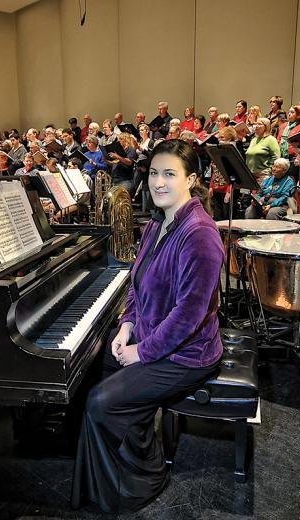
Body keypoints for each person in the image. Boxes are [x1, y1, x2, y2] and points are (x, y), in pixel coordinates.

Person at [72, 138, 223, 513]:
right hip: (151, 335)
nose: (158, 182)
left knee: (100, 402)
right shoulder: (157, 224)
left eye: (170, 174)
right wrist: (125, 327)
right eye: (154, 173)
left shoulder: (200, 234)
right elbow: (137, 284)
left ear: (191, 179)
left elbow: (188, 315)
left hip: (188, 354)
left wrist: (142, 351)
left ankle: (141, 479)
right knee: (93, 364)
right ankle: (131, 448)